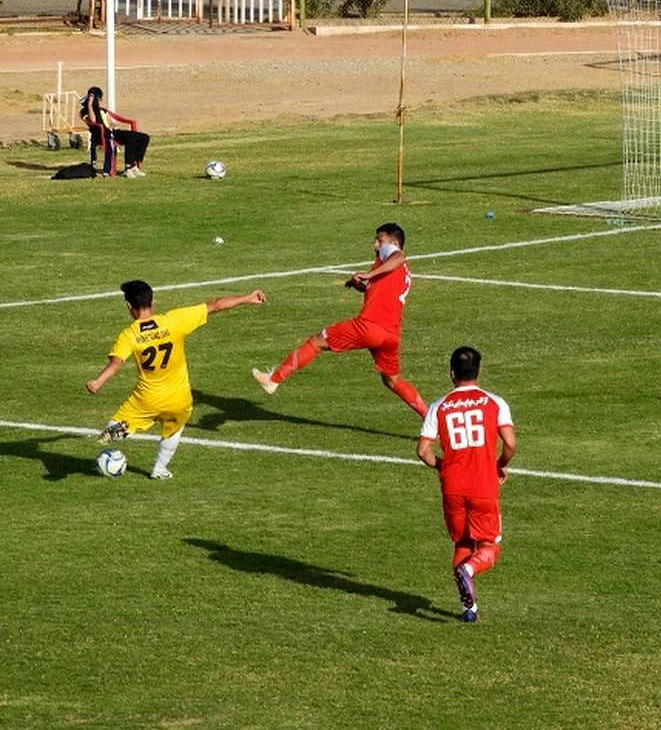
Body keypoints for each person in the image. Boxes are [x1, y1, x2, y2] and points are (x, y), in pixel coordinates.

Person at [86, 280, 266, 479]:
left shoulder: (130, 335)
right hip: (179, 398)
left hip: (147, 399)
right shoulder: (173, 320)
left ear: (129, 305)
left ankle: (121, 428)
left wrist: (98, 382)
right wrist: (247, 298)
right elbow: (215, 305)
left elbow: (116, 363)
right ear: (152, 300)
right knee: (174, 430)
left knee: (114, 424)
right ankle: (159, 469)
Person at [252, 223, 427, 418]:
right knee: (392, 381)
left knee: (316, 342)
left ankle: (273, 380)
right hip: (390, 335)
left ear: (393, 242)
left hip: (369, 326)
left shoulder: (392, 253)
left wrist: (368, 274)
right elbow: (379, 291)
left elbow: (399, 256)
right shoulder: (400, 272)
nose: (375, 245)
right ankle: (430, 418)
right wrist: (360, 285)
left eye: (380, 240)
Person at [416, 346, 517, 623]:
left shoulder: (439, 406)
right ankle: (469, 571)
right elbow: (510, 443)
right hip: (483, 485)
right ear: (479, 371)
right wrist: (498, 464)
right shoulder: (494, 402)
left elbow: (423, 450)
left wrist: (442, 465)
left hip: (452, 486)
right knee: (490, 547)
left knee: (462, 541)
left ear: (451, 374)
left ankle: (468, 608)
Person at [80, 86, 150, 178]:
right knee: (130, 138)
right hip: (104, 135)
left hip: (114, 132)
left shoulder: (102, 111)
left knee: (144, 137)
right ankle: (128, 168)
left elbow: (111, 122)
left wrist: (112, 124)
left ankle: (134, 165)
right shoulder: (87, 112)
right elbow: (93, 121)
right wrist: (89, 105)